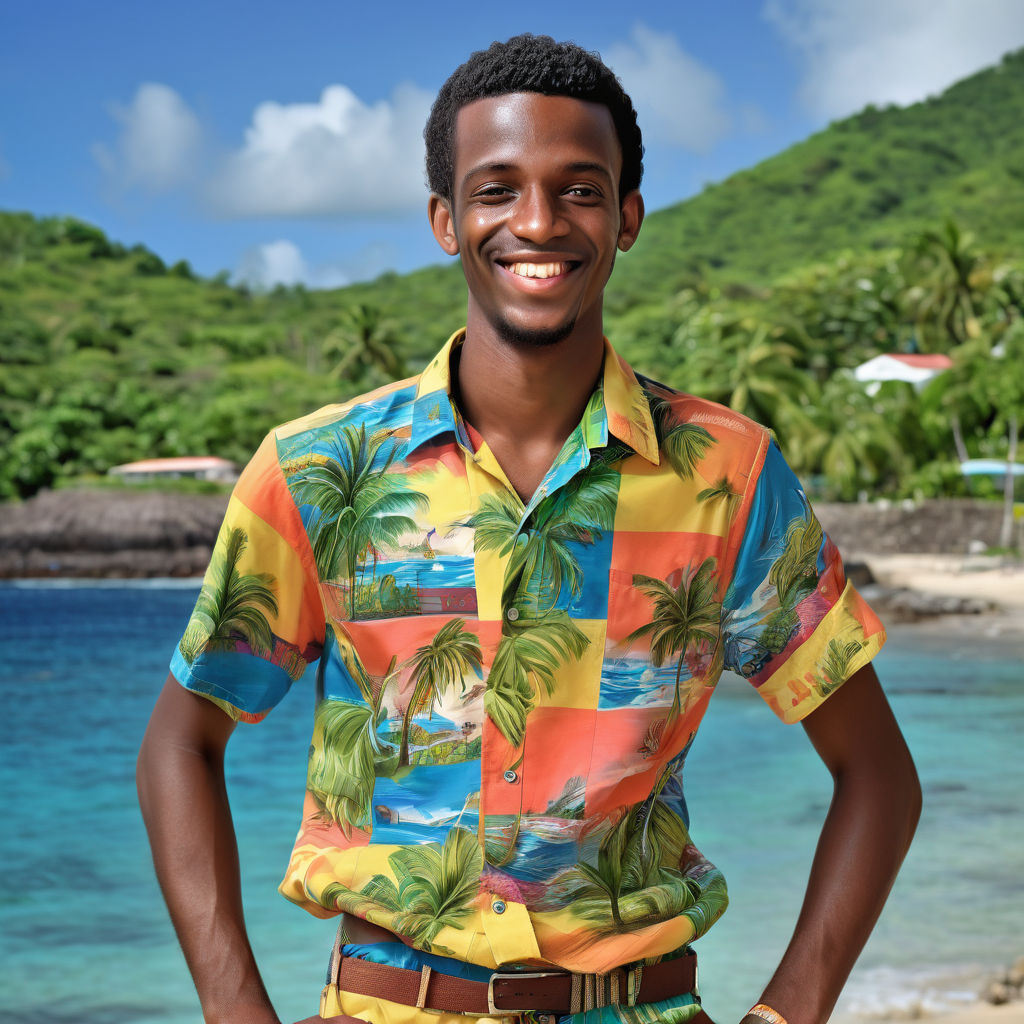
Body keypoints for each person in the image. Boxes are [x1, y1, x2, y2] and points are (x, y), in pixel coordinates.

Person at [137, 33, 921, 1024]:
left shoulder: (728, 476)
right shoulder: (317, 473)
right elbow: (180, 742)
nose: (538, 222)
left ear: (627, 216)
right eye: (497, 188)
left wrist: (786, 1013)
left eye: (580, 188)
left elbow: (878, 775)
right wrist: (234, 1011)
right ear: (446, 219)